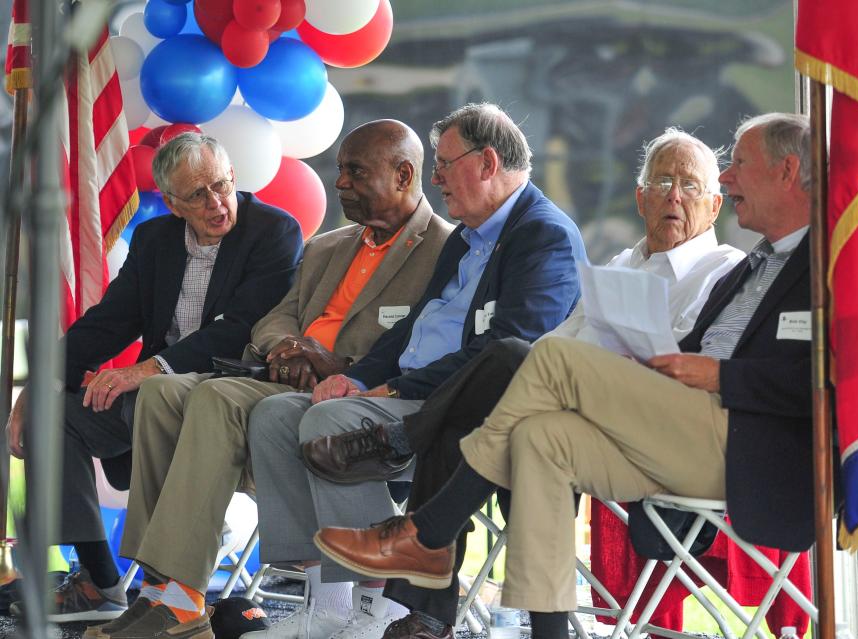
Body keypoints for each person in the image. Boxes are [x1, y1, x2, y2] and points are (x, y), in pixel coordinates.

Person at [314, 113, 820, 639]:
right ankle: (547, 630)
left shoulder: (818, 264)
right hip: (648, 421)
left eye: (735, 166)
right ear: (639, 196)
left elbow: (832, 385)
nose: (730, 177)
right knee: (538, 435)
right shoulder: (751, 266)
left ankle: (423, 516)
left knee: (524, 356)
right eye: (662, 183)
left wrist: (717, 375)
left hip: (737, 441)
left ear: (786, 172)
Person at [86, 121, 452, 639]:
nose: (339, 182)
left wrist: (330, 360)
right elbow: (275, 316)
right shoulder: (328, 246)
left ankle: (184, 597)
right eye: (342, 170)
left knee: (213, 395)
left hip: (360, 392)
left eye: (354, 171)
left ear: (403, 175)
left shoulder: (443, 249)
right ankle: (159, 585)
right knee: (162, 390)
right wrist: (288, 345)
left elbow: (422, 342)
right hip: (286, 378)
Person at [244, 103, 586, 639]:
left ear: (488, 162)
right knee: (273, 416)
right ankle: (327, 602)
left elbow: (508, 355)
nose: (436, 177)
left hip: (461, 408)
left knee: (327, 423)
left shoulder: (543, 237)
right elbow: (409, 331)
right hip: (405, 393)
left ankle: (376, 604)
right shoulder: (466, 238)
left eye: (446, 163)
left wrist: (395, 386)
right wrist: (357, 378)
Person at [5, 133, 303, 623]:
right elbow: (109, 321)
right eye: (198, 195)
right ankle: (100, 580)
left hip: (228, 391)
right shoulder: (155, 239)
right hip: (152, 394)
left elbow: (241, 329)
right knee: (52, 416)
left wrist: (146, 369)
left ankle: (167, 588)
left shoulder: (273, 231)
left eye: (222, 185)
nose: (217, 202)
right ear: (172, 203)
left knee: (154, 393)